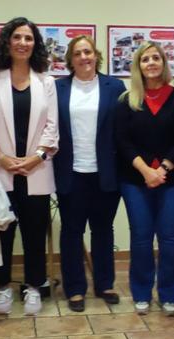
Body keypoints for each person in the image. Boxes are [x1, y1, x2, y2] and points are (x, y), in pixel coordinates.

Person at [0, 17, 58, 316]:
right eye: (17, 37)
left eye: (28, 38)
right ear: (7, 41)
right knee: (3, 231)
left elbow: (52, 127)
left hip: (36, 169)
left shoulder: (46, 81)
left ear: (35, 43)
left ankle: (34, 286)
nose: (22, 43)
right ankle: (3, 287)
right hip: (2, 169)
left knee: (35, 232)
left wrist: (37, 156)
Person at [115, 42, 174, 316]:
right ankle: (141, 293)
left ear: (164, 63)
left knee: (170, 237)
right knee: (141, 237)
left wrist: (163, 169)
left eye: (156, 58)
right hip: (135, 180)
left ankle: (170, 294)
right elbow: (122, 142)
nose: (151, 63)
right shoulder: (127, 101)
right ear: (138, 65)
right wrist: (146, 171)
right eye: (145, 59)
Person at [54, 35, 126, 313]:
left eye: (88, 52)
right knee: (72, 232)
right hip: (70, 172)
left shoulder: (114, 86)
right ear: (70, 60)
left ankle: (104, 283)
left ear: (96, 55)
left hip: (105, 172)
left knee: (103, 230)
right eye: (77, 53)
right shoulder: (57, 88)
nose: (84, 57)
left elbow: (122, 129)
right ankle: (74, 288)